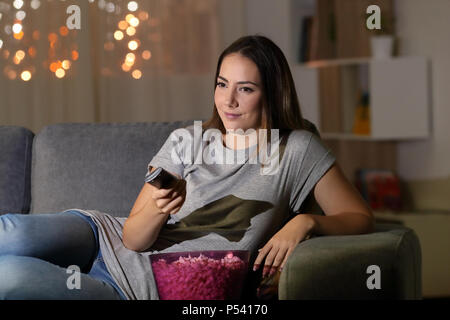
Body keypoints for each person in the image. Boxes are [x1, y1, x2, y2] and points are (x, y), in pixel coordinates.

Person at [0, 35, 374, 300]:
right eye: (222, 84)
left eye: (245, 88)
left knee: (10, 274)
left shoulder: (296, 149)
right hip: (103, 237)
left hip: (135, 286)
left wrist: (306, 222)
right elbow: (133, 238)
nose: (228, 100)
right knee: (12, 233)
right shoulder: (188, 140)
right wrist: (160, 206)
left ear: (272, 94)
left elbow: (359, 216)